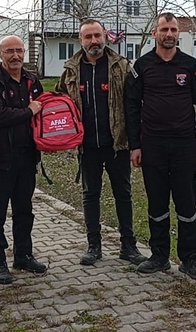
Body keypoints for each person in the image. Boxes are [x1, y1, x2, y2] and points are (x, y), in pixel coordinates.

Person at [125, 13, 196, 280]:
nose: (169, 33)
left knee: (187, 204)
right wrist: (135, 146)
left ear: (178, 34)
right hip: (153, 147)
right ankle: (159, 256)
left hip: (186, 146)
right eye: (164, 29)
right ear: (155, 33)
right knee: (157, 203)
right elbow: (131, 108)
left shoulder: (190, 66)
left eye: (173, 29)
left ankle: (190, 260)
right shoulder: (141, 66)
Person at [56, 19, 148, 266]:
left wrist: (136, 141)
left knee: (124, 195)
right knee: (90, 195)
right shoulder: (71, 70)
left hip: (117, 144)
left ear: (105, 36)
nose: (93, 41)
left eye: (97, 35)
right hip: (87, 147)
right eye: (88, 37)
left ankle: (128, 246)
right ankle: (93, 245)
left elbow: (135, 105)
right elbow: (60, 103)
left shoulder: (122, 66)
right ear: (80, 39)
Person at [0, 35, 48, 284]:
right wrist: (29, 111)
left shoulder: (32, 80)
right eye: (9, 51)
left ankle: (23, 255)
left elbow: (43, 115)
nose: (15, 56)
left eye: (19, 51)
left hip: (27, 158)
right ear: (0, 54)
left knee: (24, 210)